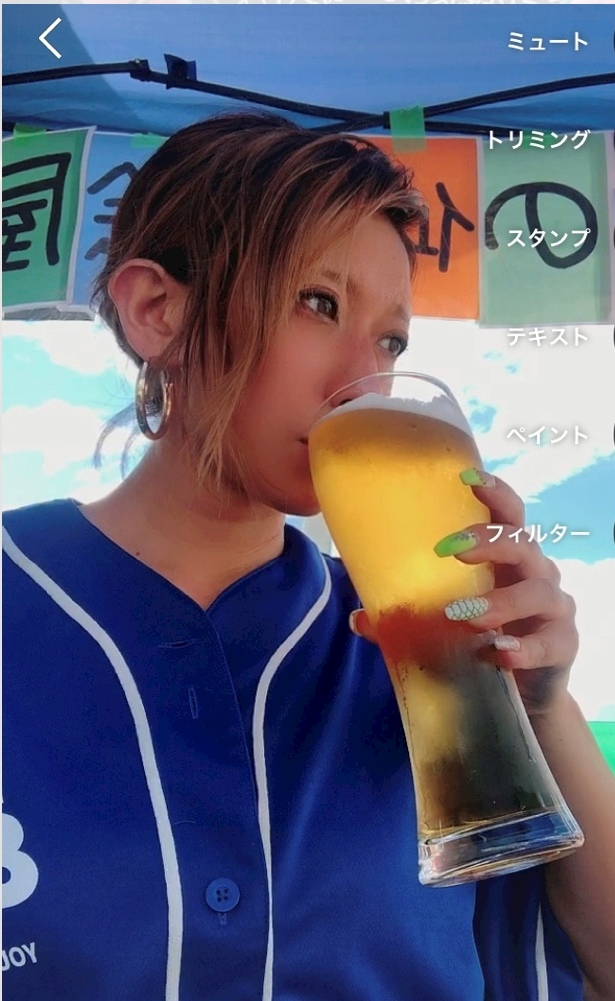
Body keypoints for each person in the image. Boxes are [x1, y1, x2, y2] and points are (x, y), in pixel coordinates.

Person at [2, 111, 614, 1001]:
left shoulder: (415, 649)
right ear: (157, 310)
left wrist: (543, 707)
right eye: (318, 303)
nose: (357, 377)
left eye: (391, 340)